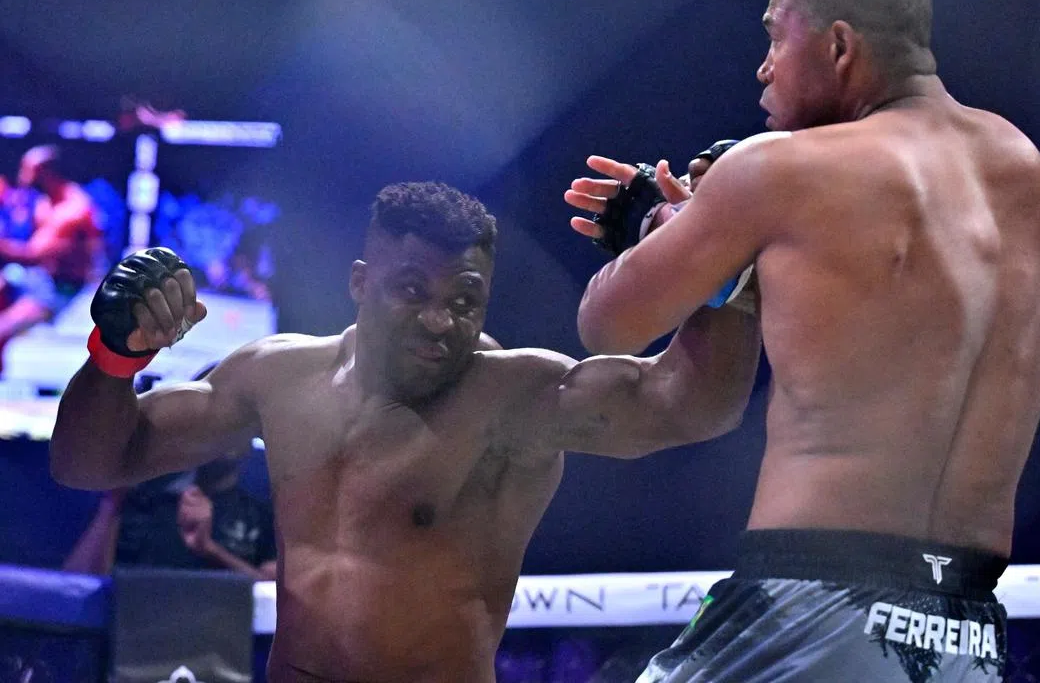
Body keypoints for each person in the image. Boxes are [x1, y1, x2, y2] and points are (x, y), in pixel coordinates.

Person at [565, 0, 1040, 682]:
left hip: (810, 602)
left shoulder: (777, 172)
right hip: (965, 628)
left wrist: (654, 234)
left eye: (774, 34)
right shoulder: (1025, 173)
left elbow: (609, 325)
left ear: (838, 46)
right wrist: (730, 258)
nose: (763, 66)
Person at [49, 181, 761, 682]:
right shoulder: (278, 377)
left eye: (464, 299)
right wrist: (116, 356)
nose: (438, 319)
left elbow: (691, 404)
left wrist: (722, 257)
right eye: (412, 290)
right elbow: (91, 463)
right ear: (361, 283)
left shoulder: (517, 396)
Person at [62, 449, 278, 581]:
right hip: (136, 642)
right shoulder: (137, 501)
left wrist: (210, 550)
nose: (228, 429)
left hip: (223, 647)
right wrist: (113, 502)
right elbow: (74, 588)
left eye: (239, 417)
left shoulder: (263, 515)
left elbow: (276, 601)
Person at [0, 144, 102, 369]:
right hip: (37, 278)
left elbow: (33, 255)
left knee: (2, 328)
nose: (22, 177)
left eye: (28, 170)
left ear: (46, 172)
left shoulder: (71, 211)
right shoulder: (44, 201)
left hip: (60, 288)